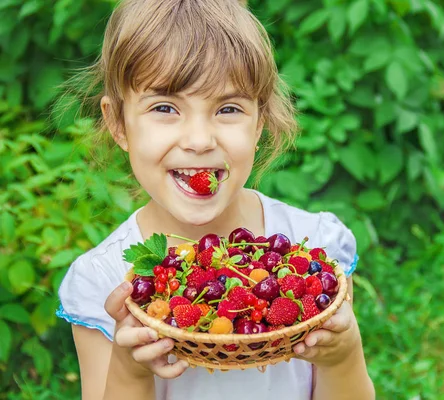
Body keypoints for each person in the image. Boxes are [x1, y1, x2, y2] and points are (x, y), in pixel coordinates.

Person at [56, 0, 375, 399]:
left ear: (259, 123)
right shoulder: (105, 284)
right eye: (165, 107)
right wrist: (131, 368)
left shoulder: (313, 253)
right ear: (118, 123)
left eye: (227, 108)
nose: (199, 141)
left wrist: (342, 356)